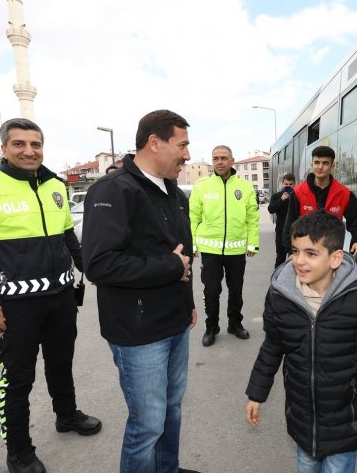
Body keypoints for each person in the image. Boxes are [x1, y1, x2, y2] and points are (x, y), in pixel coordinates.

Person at [0, 118, 101, 473]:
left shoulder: (54, 185)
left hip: (61, 296)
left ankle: (66, 415)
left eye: (35, 144)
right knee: (17, 378)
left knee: (61, 363)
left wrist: (92, 271)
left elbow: (68, 236)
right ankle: (18, 451)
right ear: (4, 149)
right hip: (15, 304)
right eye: (19, 144)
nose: (29, 151)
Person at [83, 110, 200, 473]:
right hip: (137, 332)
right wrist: (170, 267)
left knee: (171, 409)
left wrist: (189, 303)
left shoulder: (174, 193)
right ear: (154, 142)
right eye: (182, 145)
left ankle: (167, 469)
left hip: (175, 321)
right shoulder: (113, 190)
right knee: (148, 422)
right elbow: (99, 264)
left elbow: (184, 253)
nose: (187, 155)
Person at [246, 210, 357, 473]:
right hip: (302, 418)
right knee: (307, 466)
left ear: (336, 258)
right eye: (295, 251)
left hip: (346, 418)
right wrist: (256, 393)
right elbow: (272, 346)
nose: (299, 261)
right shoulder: (280, 296)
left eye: (311, 253)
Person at [190, 145, 259, 347]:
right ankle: (211, 327)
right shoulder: (202, 186)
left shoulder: (245, 187)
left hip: (236, 250)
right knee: (211, 291)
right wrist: (192, 244)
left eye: (223, 158)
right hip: (210, 251)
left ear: (232, 160)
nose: (219, 162)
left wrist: (253, 244)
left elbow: (252, 218)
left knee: (235, 290)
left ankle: (235, 324)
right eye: (215, 158)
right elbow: (193, 217)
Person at [282, 146, 357, 260]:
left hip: (332, 256)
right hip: (305, 256)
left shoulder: (344, 194)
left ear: (332, 166)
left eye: (325, 163)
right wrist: (290, 251)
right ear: (312, 165)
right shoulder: (298, 193)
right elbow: (289, 225)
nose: (320, 167)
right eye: (316, 162)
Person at [267, 172, 295, 268]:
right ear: (283, 183)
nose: (288, 186)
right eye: (286, 184)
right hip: (281, 231)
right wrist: (282, 199)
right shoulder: (277, 196)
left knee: (296, 258)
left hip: (295, 232)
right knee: (280, 258)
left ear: (294, 184)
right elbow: (271, 209)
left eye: (290, 184)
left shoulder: (297, 195)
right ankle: (277, 280)